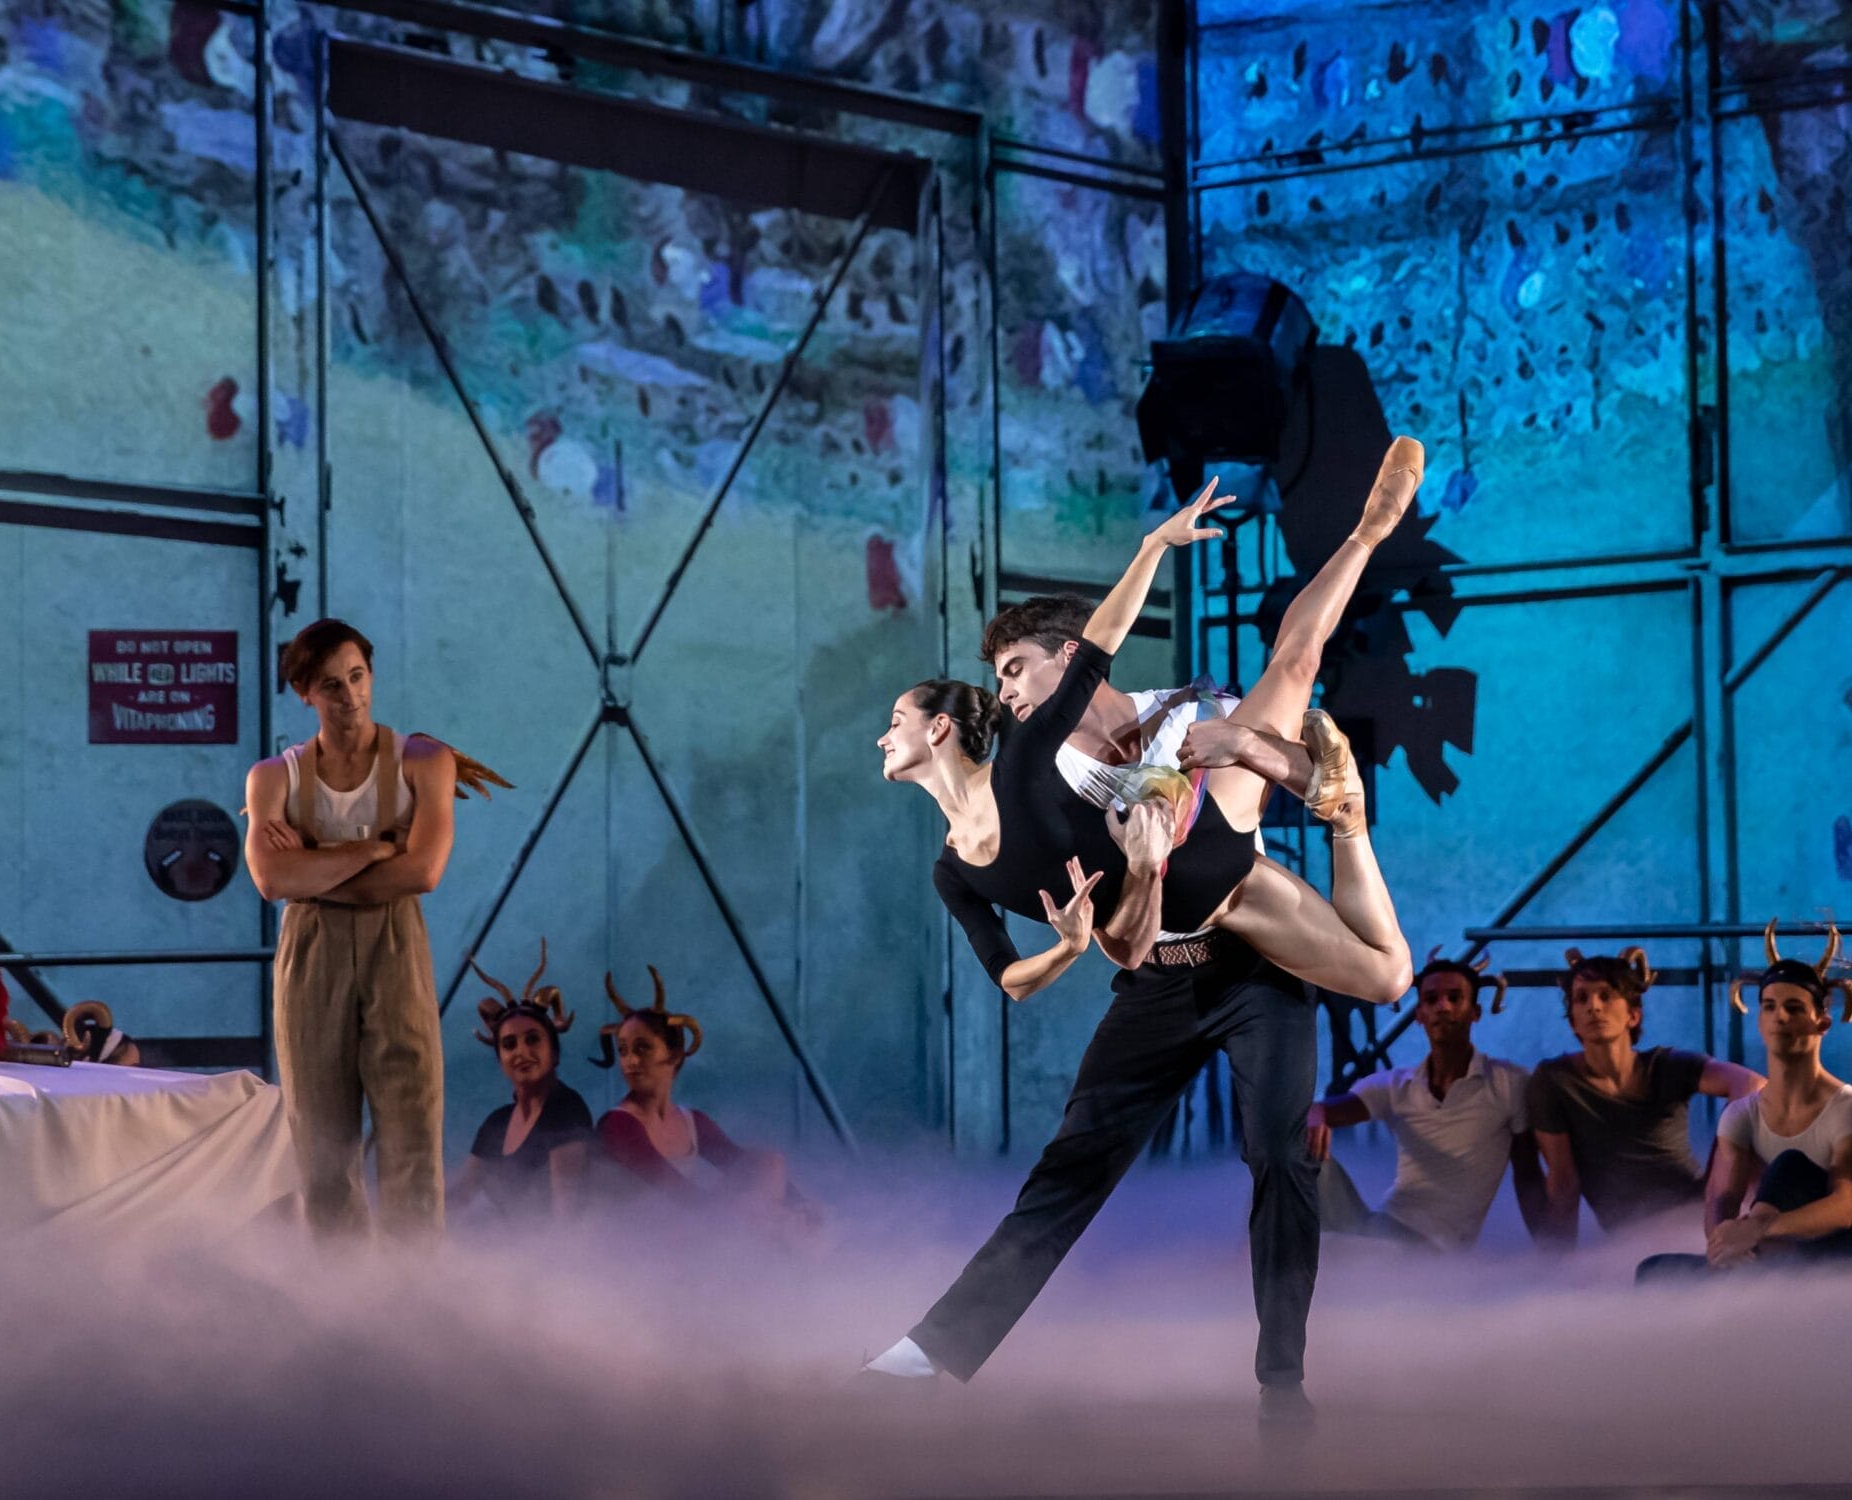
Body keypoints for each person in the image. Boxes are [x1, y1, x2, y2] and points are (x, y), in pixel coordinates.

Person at [865, 440, 1430, 1423]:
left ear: (1066, 656)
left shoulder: (1178, 710)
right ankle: (929, 1355)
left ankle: (1281, 1384)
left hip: (1248, 923)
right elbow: (1056, 889)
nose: (1004, 694)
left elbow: (1273, 660)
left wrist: (1246, 740)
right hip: (1157, 971)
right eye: (994, 683)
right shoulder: (1038, 770)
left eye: (1014, 670)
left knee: (1281, 1151)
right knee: (1072, 1164)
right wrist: (1080, 912)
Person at [243, 618, 502, 1238]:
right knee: (321, 1137)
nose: (350, 696)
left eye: (358, 677)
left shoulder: (424, 760)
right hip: (311, 949)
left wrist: (315, 863)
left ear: (372, 674)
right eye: (331, 685)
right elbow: (272, 883)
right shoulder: (274, 777)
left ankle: (413, 1294)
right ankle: (342, 1299)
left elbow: (423, 872)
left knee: (412, 1122)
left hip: (395, 940)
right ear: (305, 693)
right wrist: (370, 851)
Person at [1635, 923, 1852, 1281]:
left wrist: (1759, 1229)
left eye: (1794, 1008)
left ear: (1822, 1022)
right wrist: (1725, 1245)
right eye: (1769, 1006)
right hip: (1785, 1254)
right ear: (1760, 1020)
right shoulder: (1742, 1115)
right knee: (1653, 1272)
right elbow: (1721, 1200)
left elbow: (1843, 1208)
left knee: (1790, 1165)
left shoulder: (1848, 1107)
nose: (1780, 1016)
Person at [1306, 953, 1547, 1251]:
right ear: (1419, 1014)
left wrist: (1552, 1257)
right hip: (1379, 1229)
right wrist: (1316, 1114)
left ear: (1475, 1011)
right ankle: (1247, 1270)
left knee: (1319, 1251)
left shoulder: (1507, 1083)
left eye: (1454, 998)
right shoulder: (1396, 1086)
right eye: (1431, 1000)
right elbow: (1325, 1110)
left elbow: (1529, 1176)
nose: (1442, 1006)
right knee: (1292, 1155)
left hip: (1435, 1247)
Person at [1529, 947, 1763, 1246]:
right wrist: (1552, 1270)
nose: (1594, 1007)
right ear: (1572, 1020)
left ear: (1633, 1014)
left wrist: (1718, 1181)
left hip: (1698, 1213)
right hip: (1631, 1235)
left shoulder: (1666, 1066)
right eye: (1582, 998)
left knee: (1762, 1124)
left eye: (1606, 995)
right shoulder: (1554, 1081)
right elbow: (1563, 1184)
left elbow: (1753, 1085)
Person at [593, 967, 811, 1232]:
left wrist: (800, 1208)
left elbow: (742, 1164)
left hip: (693, 1230)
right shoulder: (618, 1125)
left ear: (674, 1055)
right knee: (769, 1220)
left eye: (642, 1048)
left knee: (768, 1163)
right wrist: (755, 1219)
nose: (630, 1062)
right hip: (641, 1242)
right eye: (623, 1051)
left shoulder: (692, 1121)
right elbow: (674, 1192)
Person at [456, 941, 593, 1222]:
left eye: (533, 1039)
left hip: (551, 1258)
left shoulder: (566, 1109)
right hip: (508, 1252)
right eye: (509, 1044)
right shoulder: (497, 1123)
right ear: (499, 1058)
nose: (521, 1053)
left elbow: (565, 1212)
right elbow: (461, 1194)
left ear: (554, 1053)